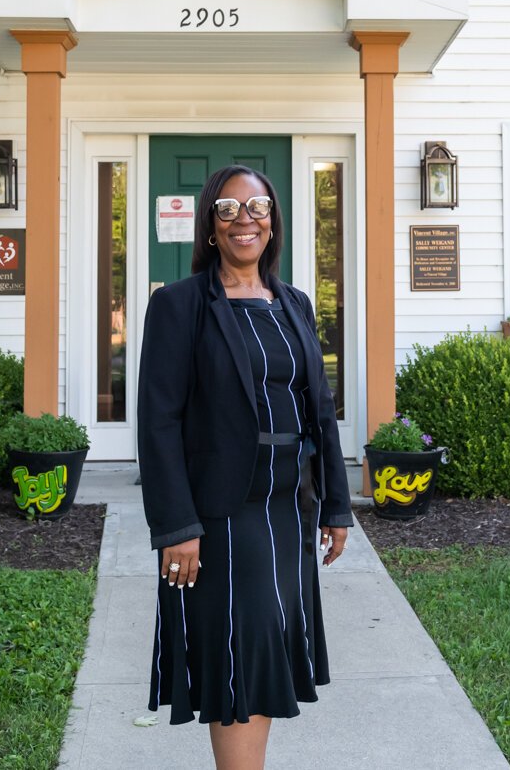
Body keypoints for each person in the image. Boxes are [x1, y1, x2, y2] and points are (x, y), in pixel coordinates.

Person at [137, 165, 354, 770]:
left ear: (273, 222)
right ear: (210, 225)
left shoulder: (293, 303)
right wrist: (176, 526)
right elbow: (158, 423)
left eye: (257, 208)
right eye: (228, 210)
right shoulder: (181, 306)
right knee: (239, 652)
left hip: (286, 506)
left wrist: (336, 505)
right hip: (224, 509)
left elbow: (321, 412)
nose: (244, 220)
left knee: (265, 648)